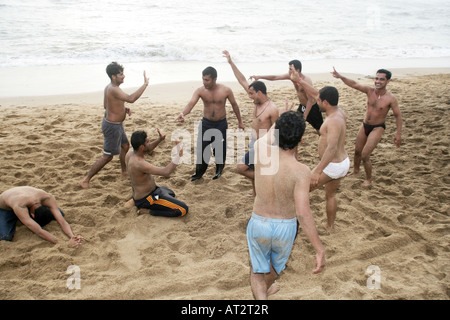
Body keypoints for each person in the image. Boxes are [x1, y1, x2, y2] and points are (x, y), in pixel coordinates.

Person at [247, 111, 325, 300]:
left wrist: (281, 117)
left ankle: (261, 296)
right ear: (302, 140)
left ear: (275, 133)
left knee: (257, 273)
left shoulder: (260, 149)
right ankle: (264, 292)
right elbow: (303, 214)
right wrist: (319, 249)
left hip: (259, 222)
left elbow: (270, 135)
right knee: (274, 269)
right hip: (284, 227)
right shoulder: (301, 171)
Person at [291, 69, 349, 231]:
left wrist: (317, 171)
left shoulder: (334, 121)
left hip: (333, 165)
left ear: (326, 103)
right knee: (330, 195)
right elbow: (316, 94)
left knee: (299, 191)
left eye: (319, 101)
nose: (317, 101)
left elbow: (330, 149)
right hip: (341, 162)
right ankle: (330, 226)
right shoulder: (337, 111)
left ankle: (293, 224)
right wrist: (299, 81)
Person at [79, 62, 149, 189]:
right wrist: (144, 85)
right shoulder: (114, 89)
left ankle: (124, 171)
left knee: (125, 145)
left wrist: (123, 109)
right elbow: (131, 98)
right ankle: (86, 179)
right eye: (120, 74)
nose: (124, 76)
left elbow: (107, 106)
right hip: (112, 126)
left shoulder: (109, 88)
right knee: (107, 157)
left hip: (116, 124)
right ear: (113, 76)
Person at [331, 68, 402, 186]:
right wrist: (340, 76)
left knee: (365, 155)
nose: (378, 81)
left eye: (382, 79)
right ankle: (356, 170)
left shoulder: (391, 98)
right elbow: (354, 84)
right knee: (357, 151)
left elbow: (398, 116)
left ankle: (368, 179)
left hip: (377, 127)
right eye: (377, 78)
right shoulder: (369, 91)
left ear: (388, 81)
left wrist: (398, 133)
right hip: (365, 125)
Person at [223, 50, 279, 195]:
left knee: (241, 168)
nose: (249, 96)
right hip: (253, 141)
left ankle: (268, 179)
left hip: (264, 146)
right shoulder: (256, 102)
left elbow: (277, 133)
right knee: (253, 170)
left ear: (259, 92)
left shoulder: (272, 109)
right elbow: (242, 80)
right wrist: (231, 62)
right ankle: (256, 194)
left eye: (251, 93)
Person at [175, 66, 245, 181]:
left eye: (207, 80)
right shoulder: (200, 90)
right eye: (203, 79)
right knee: (202, 150)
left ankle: (218, 171)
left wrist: (240, 122)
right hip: (206, 124)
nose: (204, 82)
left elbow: (234, 105)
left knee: (219, 151)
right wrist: (183, 113)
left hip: (221, 124)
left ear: (214, 79)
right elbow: (191, 104)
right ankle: (198, 174)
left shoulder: (226, 90)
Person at [125, 130, 188, 217]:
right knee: (183, 209)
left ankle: (135, 201)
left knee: (170, 193)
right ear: (141, 147)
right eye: (147, 142)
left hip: (148, 193)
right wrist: (178, 155)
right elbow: (166, 172)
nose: (149, 142)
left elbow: (148, 149)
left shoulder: (130, 152)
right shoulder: (139, 163)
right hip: (147, 200)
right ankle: (148, 211)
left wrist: (160, 139)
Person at [251, 59, 323, 133]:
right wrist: (259, 77)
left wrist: (305, 116)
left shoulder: (306, 80)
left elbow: (310, 99)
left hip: (312, 107)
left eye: (290, 69)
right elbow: (275, 77)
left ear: (297, 70)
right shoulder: (291, 76)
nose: (289, 71)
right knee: (295, 125)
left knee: (319, 129)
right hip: (302, 106)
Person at [0, 186, 83, 247]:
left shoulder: (47, 197)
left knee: (59, 213)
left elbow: (62, 221)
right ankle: (19, 218)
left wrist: (72, 236)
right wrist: (64, 243)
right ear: (31, 215)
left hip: (23, 197)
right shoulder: (19, 205)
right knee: (5, 237)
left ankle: (22, 218)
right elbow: (39, 231)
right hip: (5, 208)